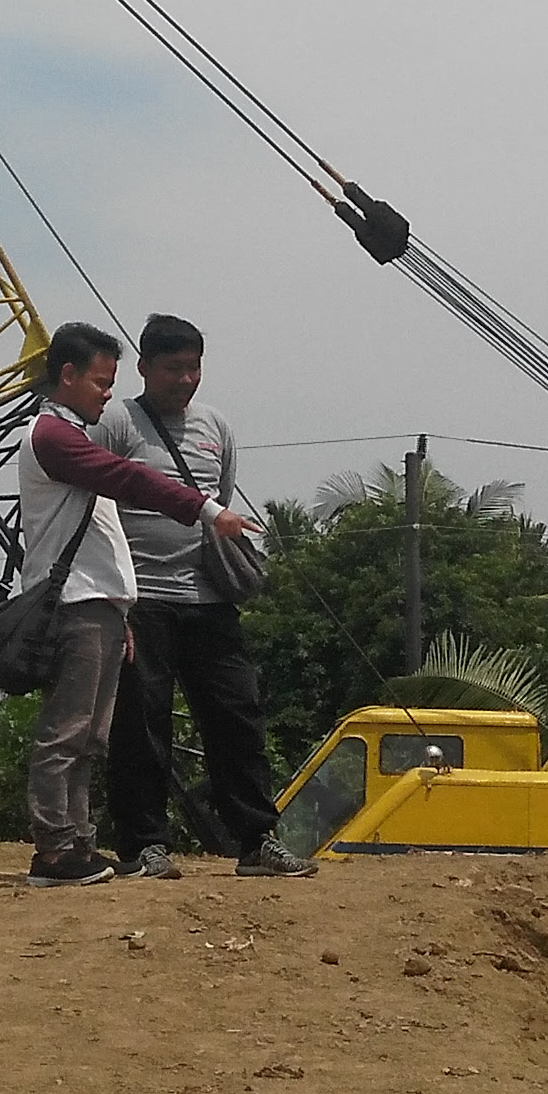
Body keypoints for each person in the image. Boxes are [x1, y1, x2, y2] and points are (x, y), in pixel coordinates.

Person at [11, 320, 254, 888]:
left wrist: (120, 608)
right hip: (75, 602)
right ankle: (54, 850)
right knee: (67, 732)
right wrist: (207, 510)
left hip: (103, 603)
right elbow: (129, 478)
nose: (106, 393)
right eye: (99, 381)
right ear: (66, 375)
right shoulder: (54, 437)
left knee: (91, 735)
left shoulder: (70, 433)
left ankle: (77, 844)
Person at [97, 314, 315, 878]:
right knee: (141, 725)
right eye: (174, 368)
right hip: (140, 600)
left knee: (236, 716)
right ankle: (143, 845)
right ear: (143, 368)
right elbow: (95, 507)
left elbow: (217, 505)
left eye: (194, 368)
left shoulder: (215, 425)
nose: (186, 380)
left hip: (209, 601)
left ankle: (256, 840)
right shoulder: (117, 422)